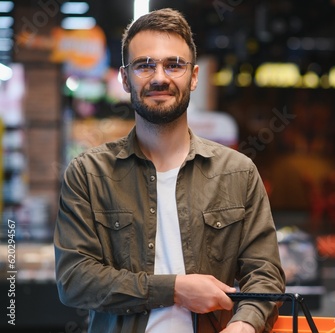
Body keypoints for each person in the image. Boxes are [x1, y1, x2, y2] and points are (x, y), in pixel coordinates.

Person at [54, 7, 285, 333]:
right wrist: (175, 289)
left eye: (173, 65)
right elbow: (74, 279)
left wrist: (245, 324)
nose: (159, 77)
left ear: (193, 77)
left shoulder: (238, 172)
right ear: (124, 78)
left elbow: (265, 271)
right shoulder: (89, 174)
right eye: (144, 65)